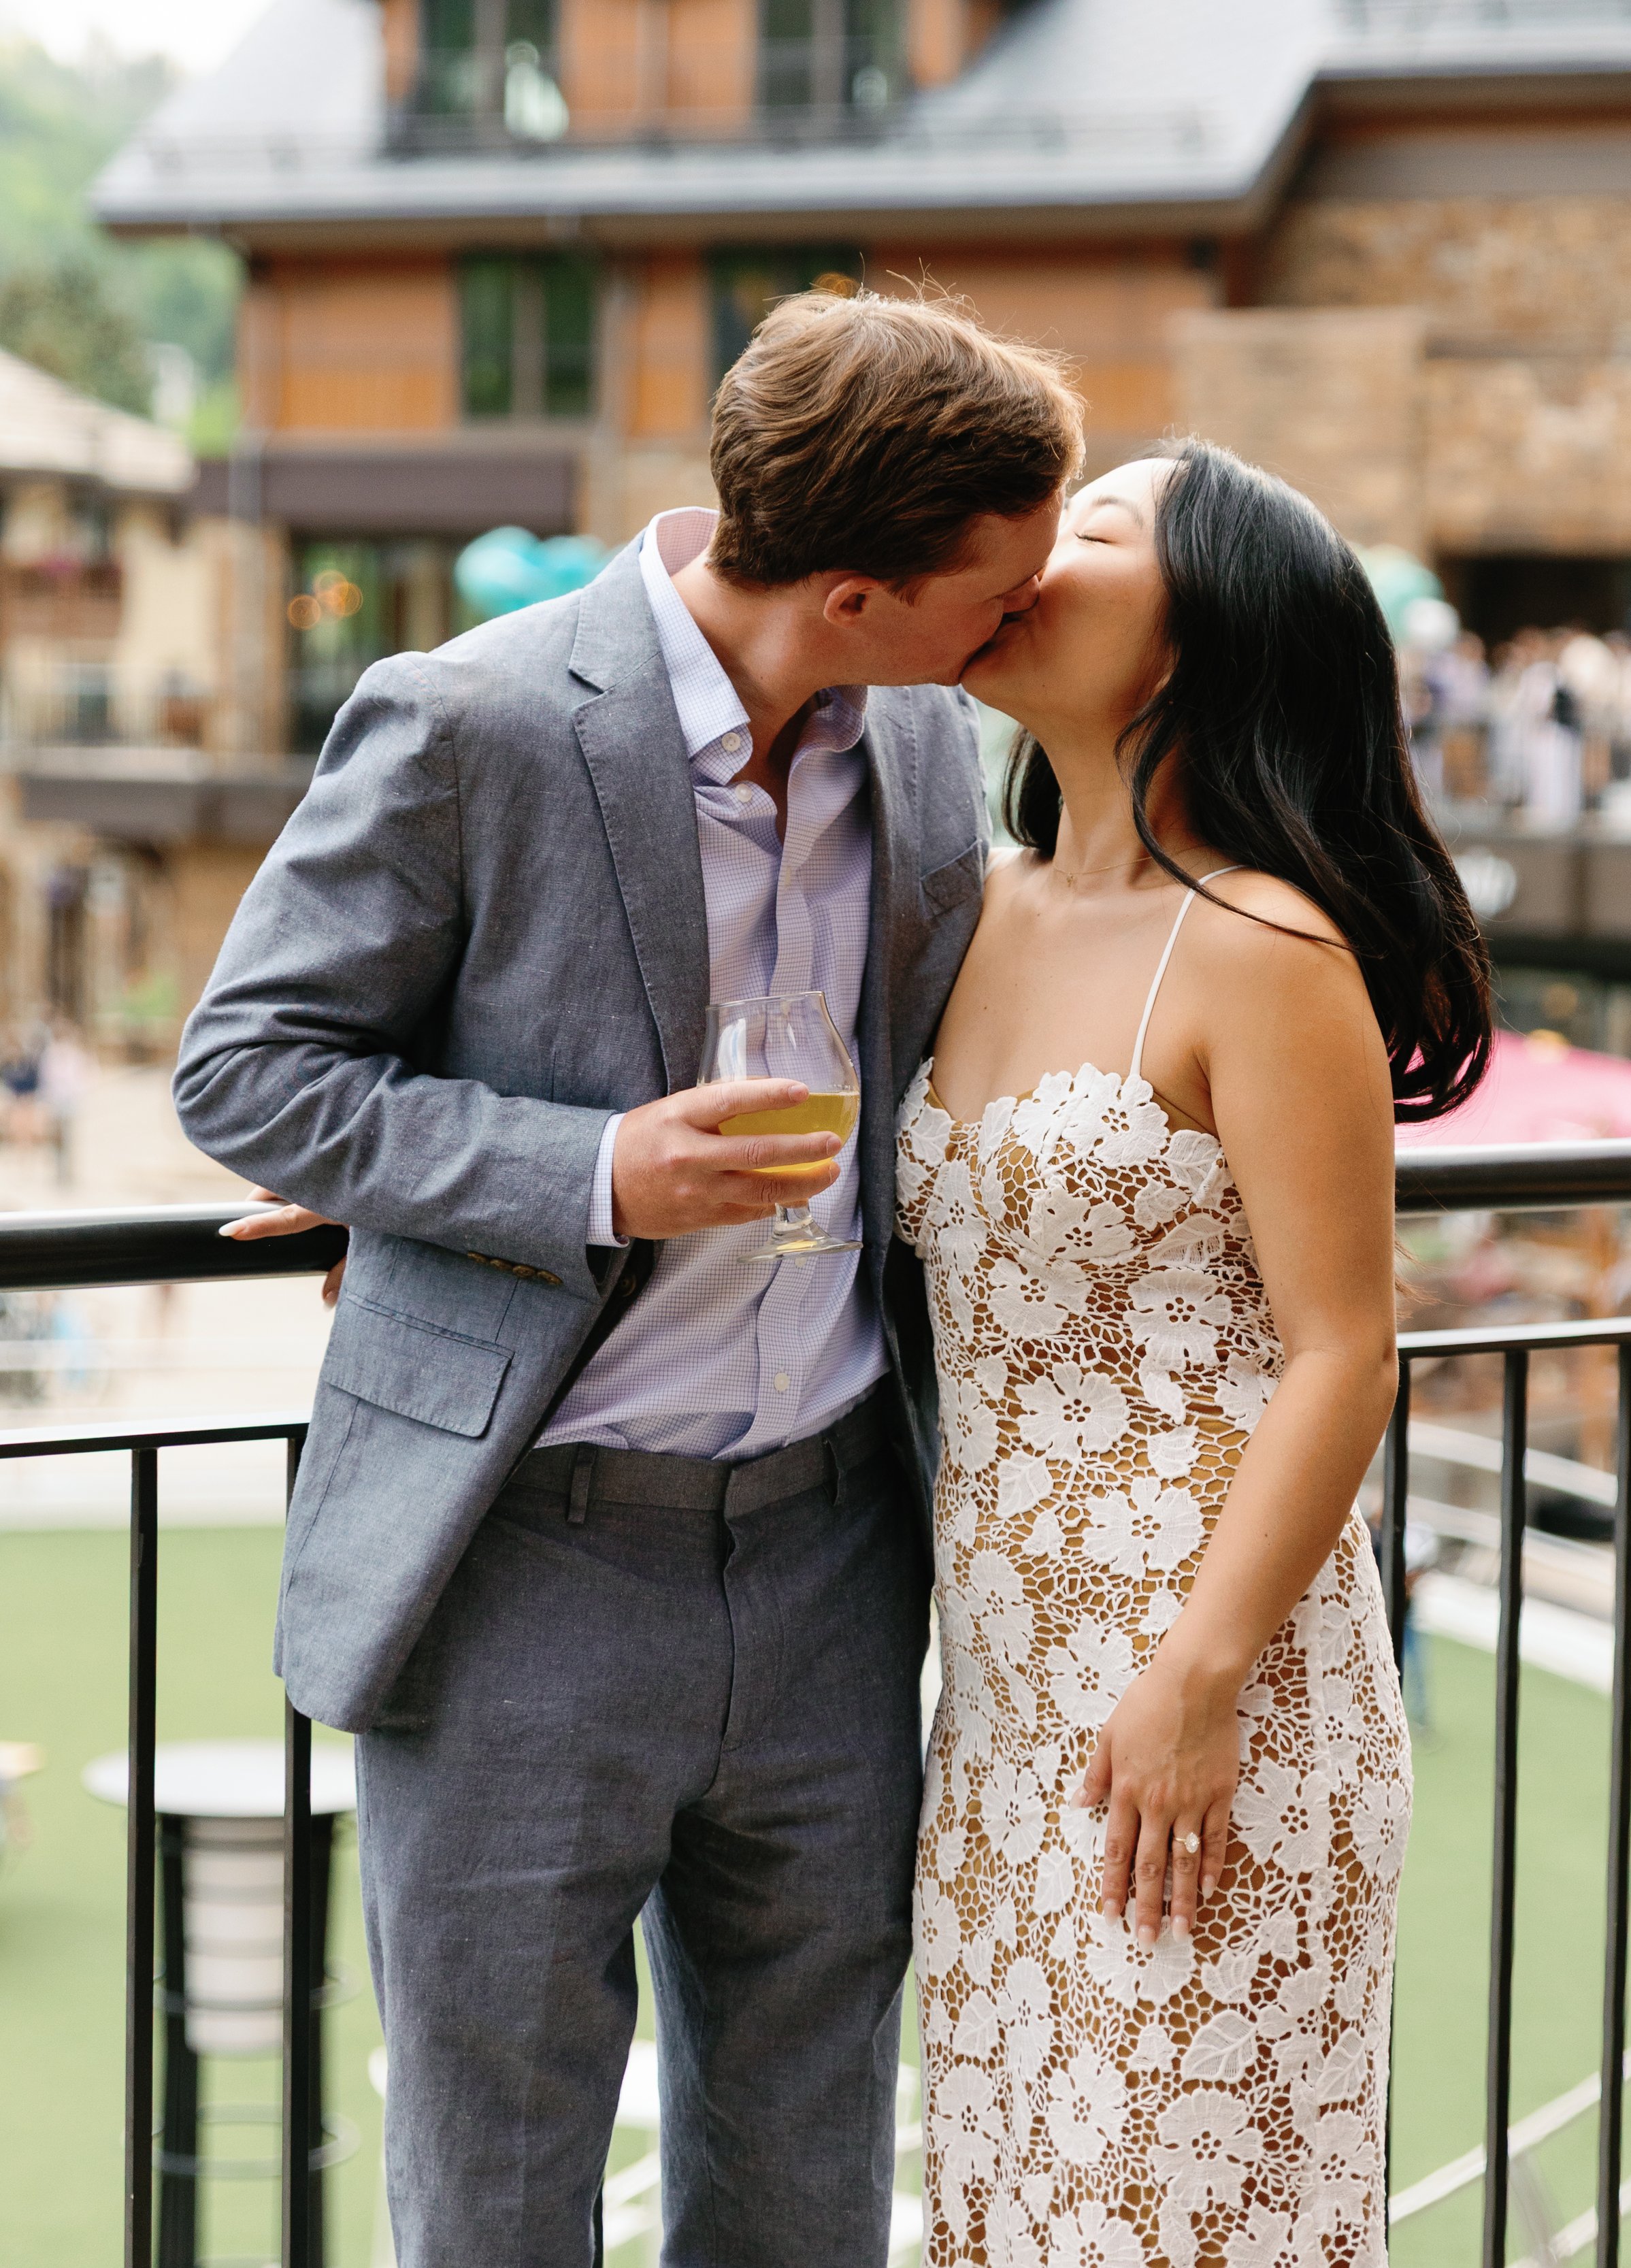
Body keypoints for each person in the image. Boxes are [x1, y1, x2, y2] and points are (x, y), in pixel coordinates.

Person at [173, 289, 1083, 2268]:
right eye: (992, 592)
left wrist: (430, 1185)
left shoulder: (928, 741)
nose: (1019, 626)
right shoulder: (468, 715)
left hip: (843, 1546)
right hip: (523, 1568)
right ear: (851, 589)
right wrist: (576, 1172)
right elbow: (246, 1069)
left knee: (804, 2174)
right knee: (497, 2192)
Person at [895, 440, 1492, 2265]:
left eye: (1086, 529)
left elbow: (1342, 1345)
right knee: (1011, 2210)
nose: (1020, 554)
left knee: (1180, 2219)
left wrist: (1199, 1681)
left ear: (1196, 634)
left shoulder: (1259, 944)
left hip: (1210, 1690)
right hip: (998, 1703)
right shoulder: (963, 905)